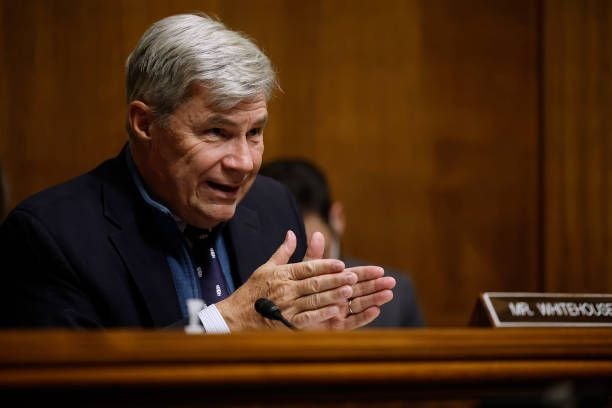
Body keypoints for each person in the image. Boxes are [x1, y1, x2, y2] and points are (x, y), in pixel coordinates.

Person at [0, 13, 396, 331]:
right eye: (216, 132)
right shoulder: (50, 237)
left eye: (254, 133)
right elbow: (74, 388)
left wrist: (312, 347)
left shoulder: (273, 205)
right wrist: (224, 325)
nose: (244, 162)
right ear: (145, 124)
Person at [260, 159, 424, 327]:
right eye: (288, 256)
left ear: (337, 218)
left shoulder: (397, 297)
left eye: (315, 249)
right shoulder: (251, 300)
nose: (304, 269)